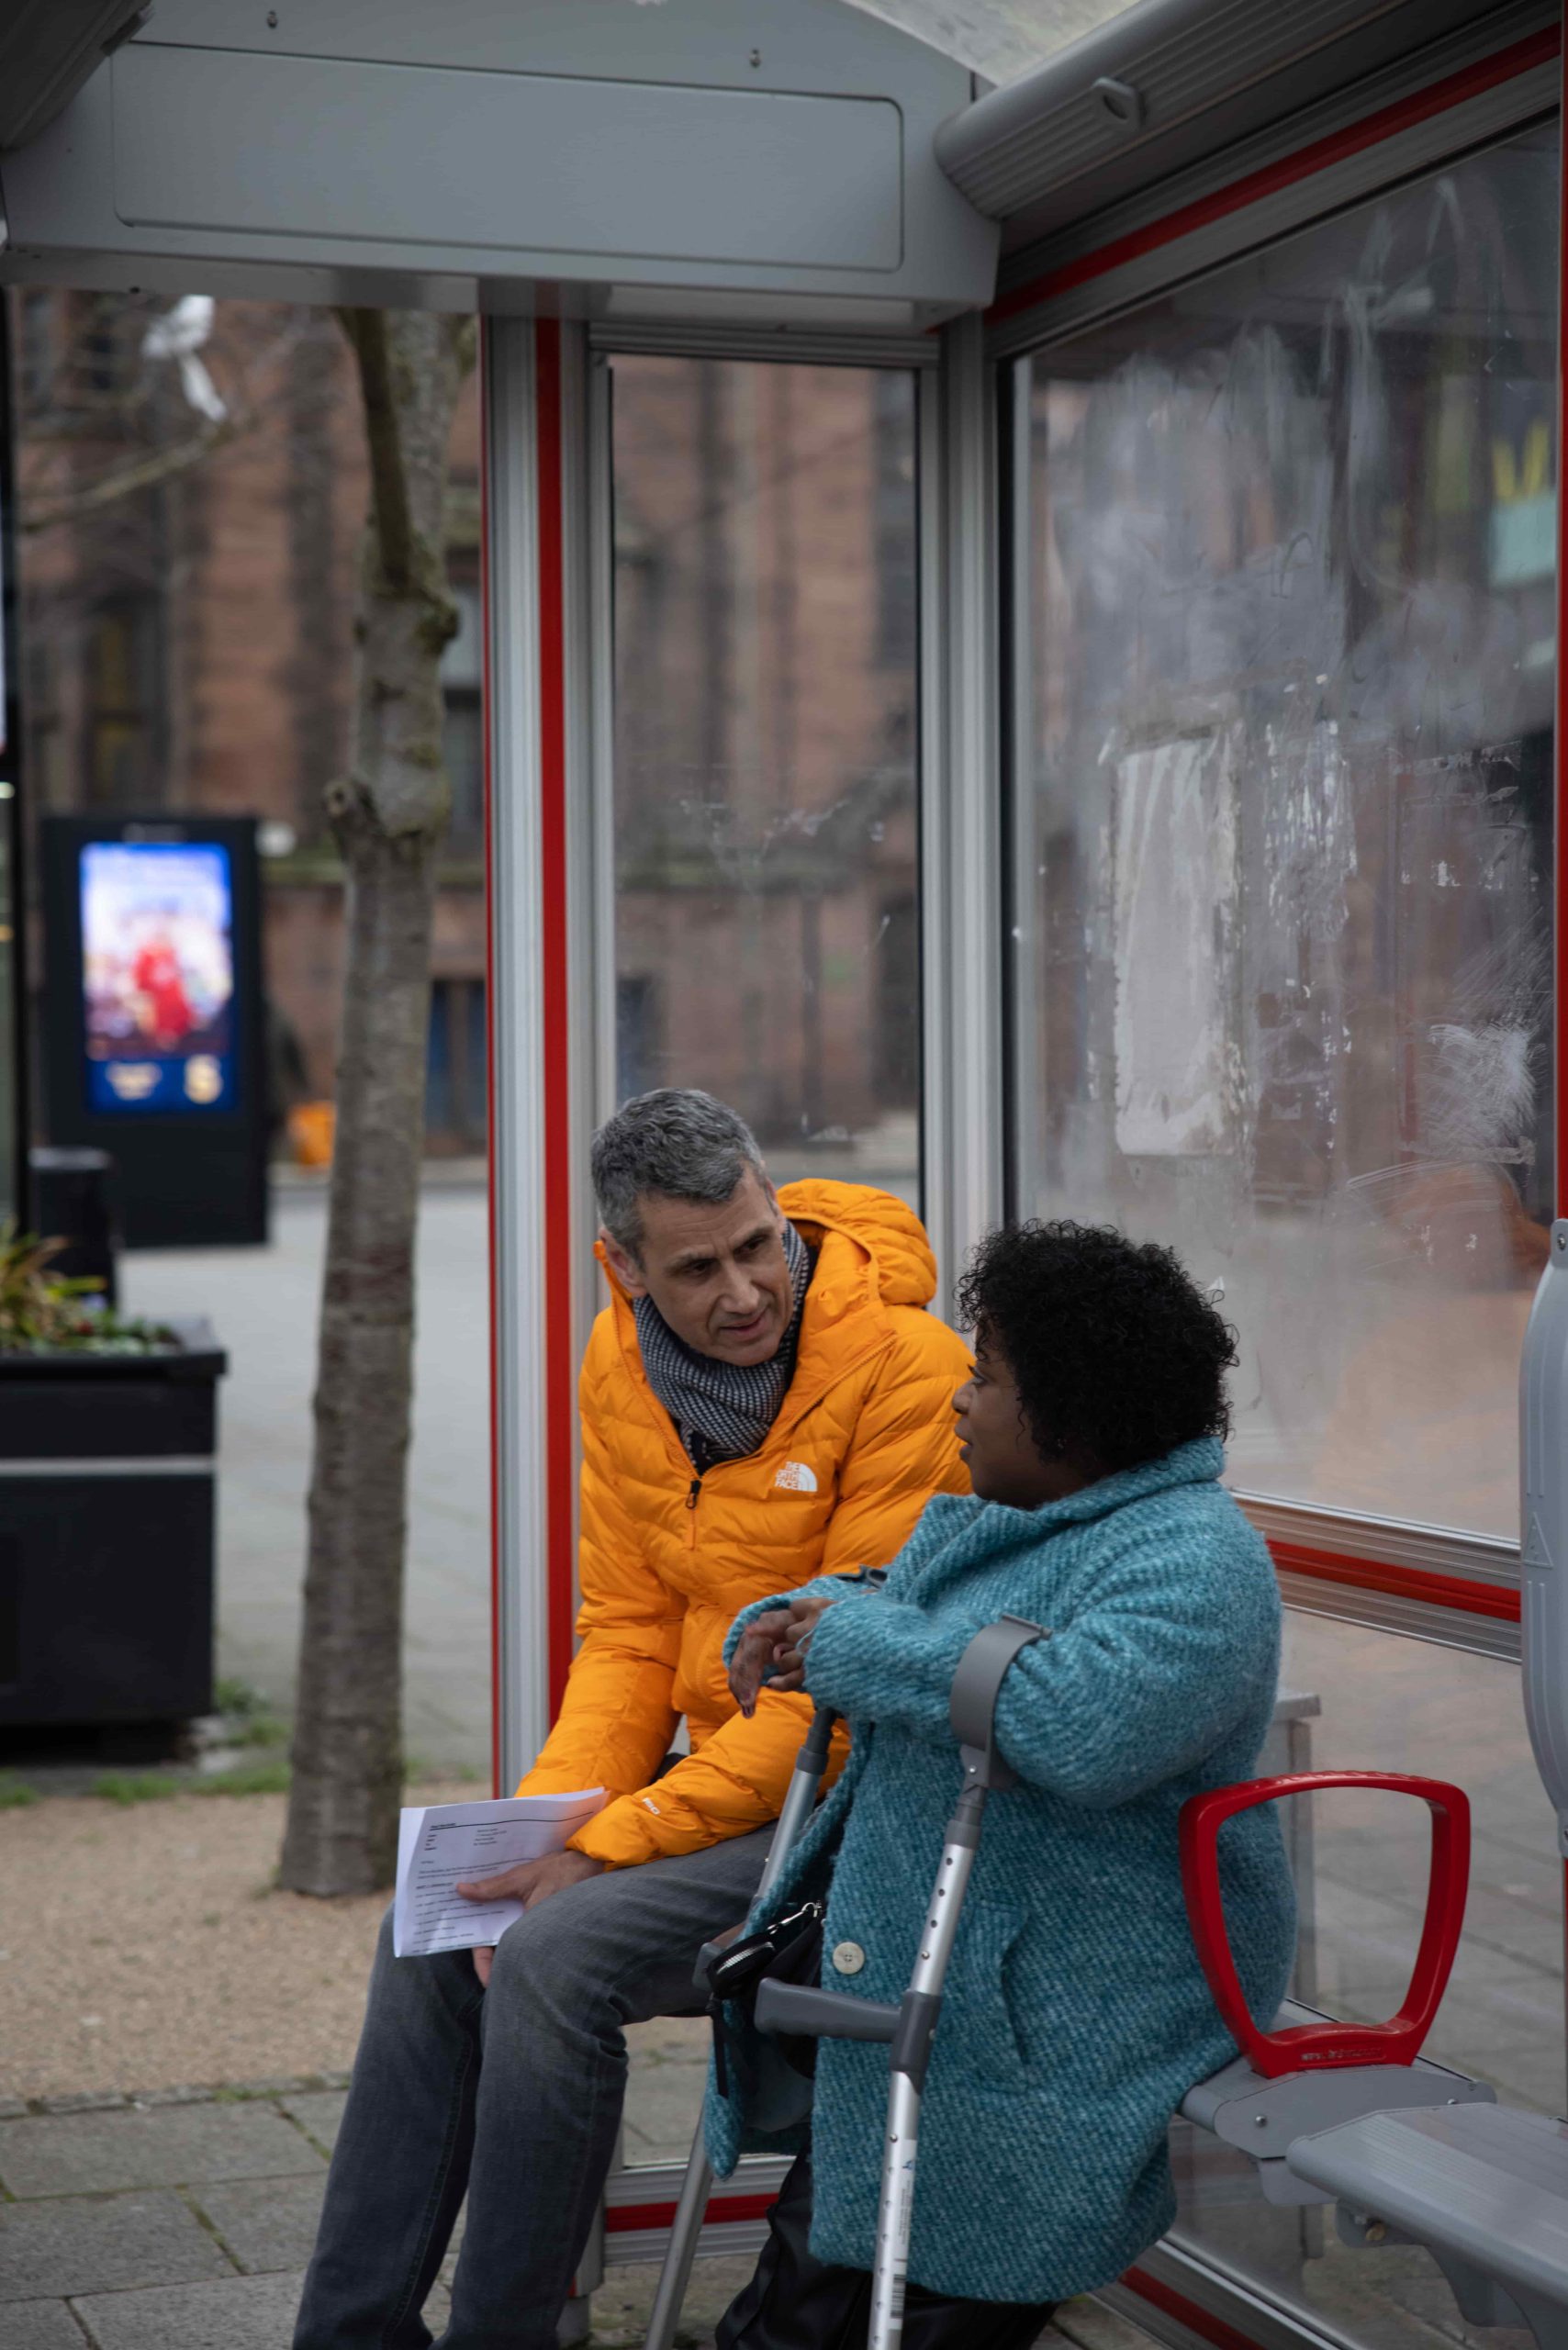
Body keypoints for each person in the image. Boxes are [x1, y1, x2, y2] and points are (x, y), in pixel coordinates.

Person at [294, 1088, 971, 2350]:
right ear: (625, 1268)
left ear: (776, 1206)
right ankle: (346, 2334)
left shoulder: (908, 1367)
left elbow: (835, 1680)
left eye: (758, 1245)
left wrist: (609, 1844)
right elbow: (627, 1636)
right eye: (698, 1267)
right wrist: (544, 1825)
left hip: (856, 1797)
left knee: (552, 1957)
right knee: (433, 1932)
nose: (745, 1291)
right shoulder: (620, 1365)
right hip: (726, 1780)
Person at [708, 1220, 1298, 2348]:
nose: (957, 1402)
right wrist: (803, 1615)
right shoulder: (1052, 1521)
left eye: (984, 1377)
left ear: (1069, 1417)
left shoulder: (1198, 1559)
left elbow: (1073, 1721)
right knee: (810, 2278)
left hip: (1058, 2015)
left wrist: (853, 1642)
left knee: (892, 2288)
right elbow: (915, 1611)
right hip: (947, 1992)